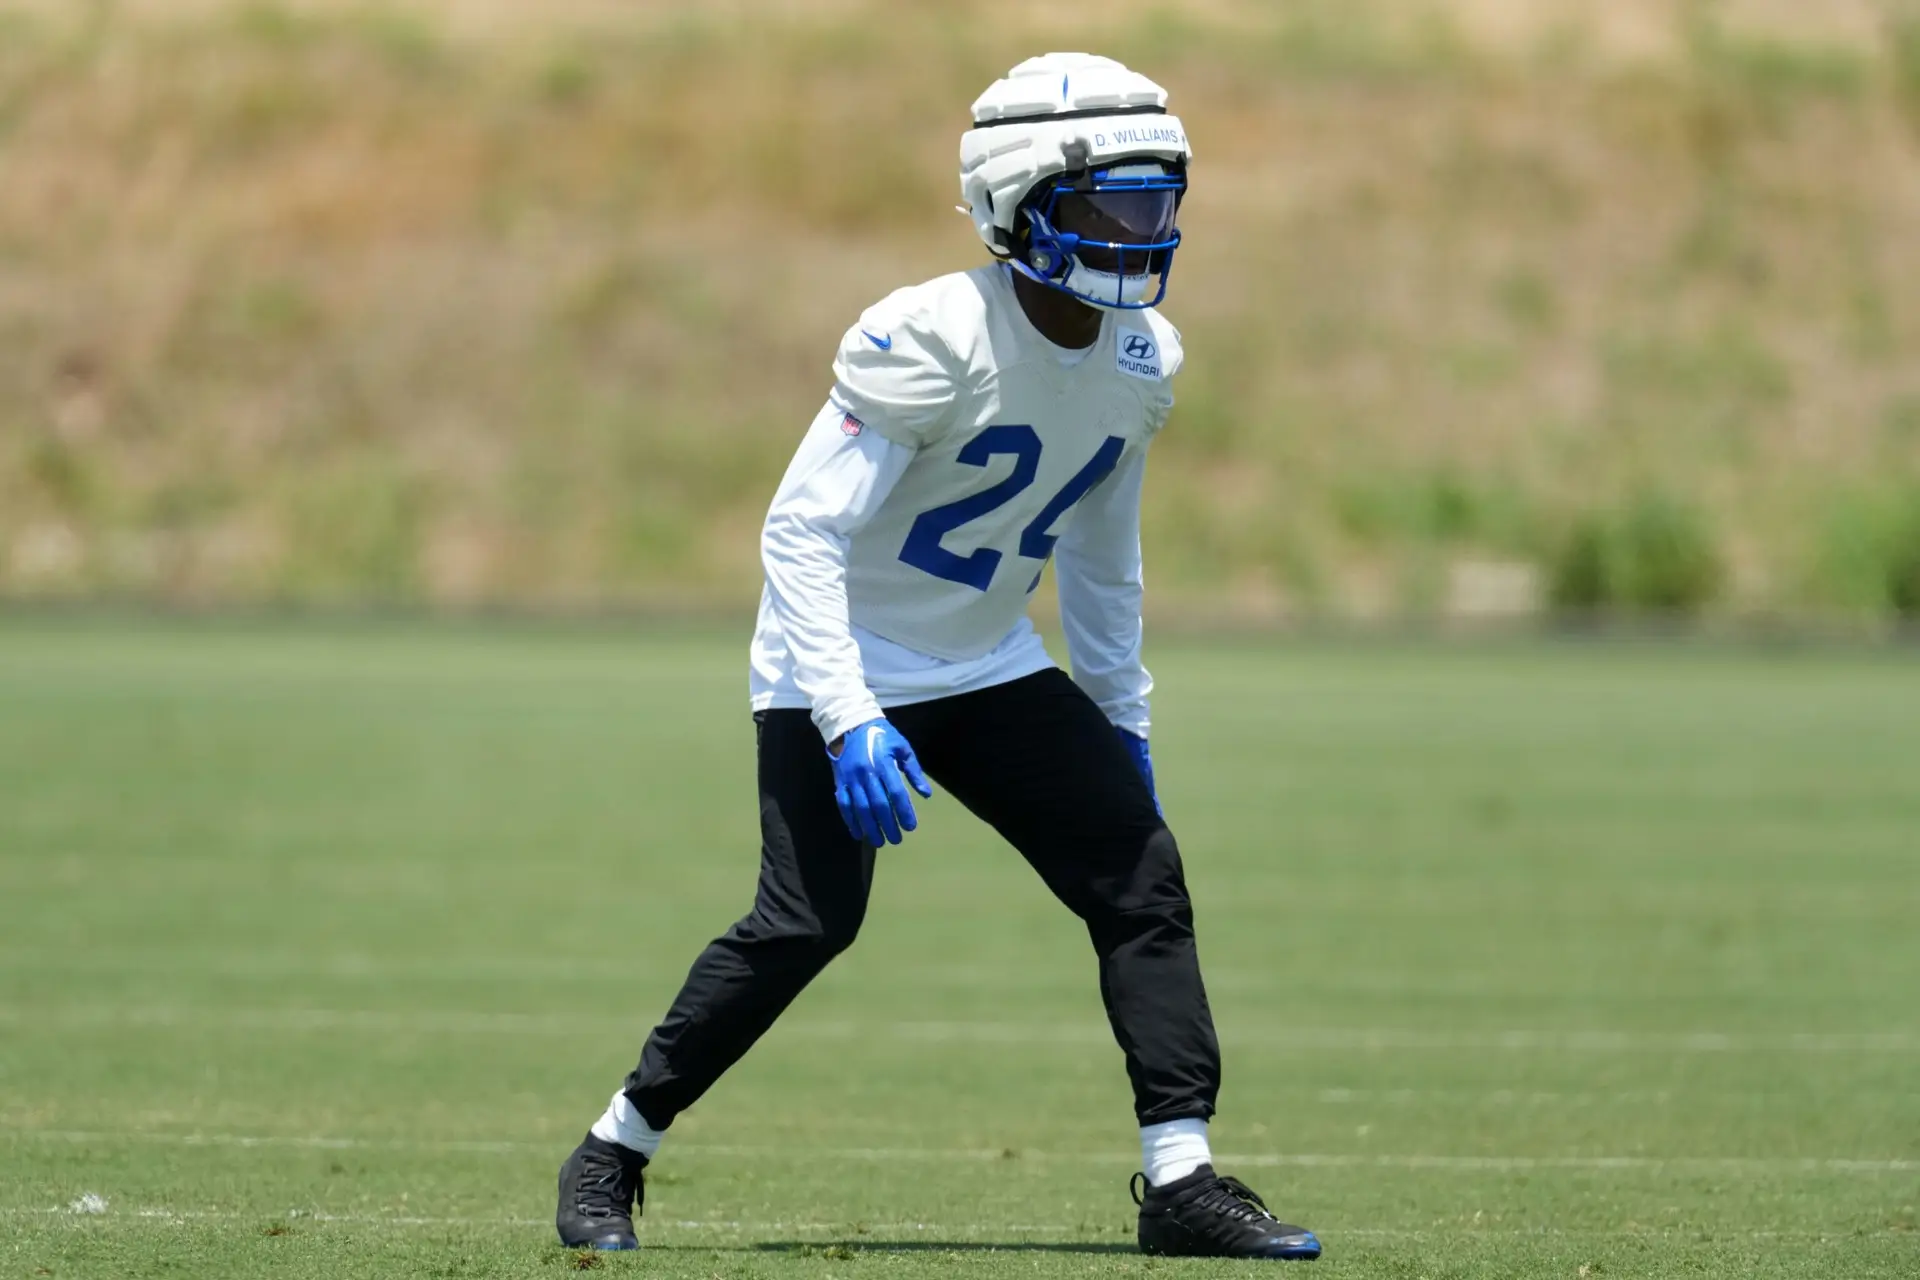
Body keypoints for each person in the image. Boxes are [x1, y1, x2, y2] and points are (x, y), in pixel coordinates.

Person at [554, 52, 1321, 1262]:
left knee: (1141, 879)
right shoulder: (929, 334)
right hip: (837, 654)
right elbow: (798, 531)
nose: (1145, 230)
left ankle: (1182, 1176)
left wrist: (1125, 723)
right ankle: (614, 1147)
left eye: (1158, 200)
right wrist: (850, 712)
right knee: (807, 923)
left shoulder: (1143, 359)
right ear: (1021, 206)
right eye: (1113, 203)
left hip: (983, 661)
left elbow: (1104, 559)